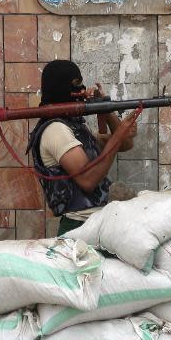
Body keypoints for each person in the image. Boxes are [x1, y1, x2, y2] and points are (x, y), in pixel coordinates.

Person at [28, 60, 139, 235]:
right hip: (78, 227)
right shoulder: (56, 130)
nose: (81, 90)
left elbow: (124, 144)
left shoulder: (73, 127)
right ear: (61, 89)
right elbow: (88, 180)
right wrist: (119, 134)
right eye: (76, 85)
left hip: (95, 223)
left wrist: (105, 109)